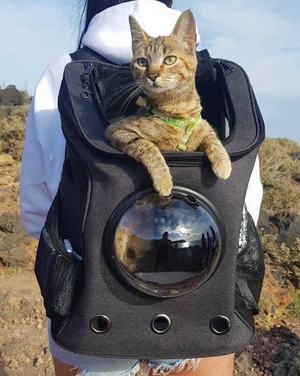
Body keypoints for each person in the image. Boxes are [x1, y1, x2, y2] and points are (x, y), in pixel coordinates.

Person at [20, 0, 263, 375]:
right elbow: (246, 201)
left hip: (94, 309)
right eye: (143, 62)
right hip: (200, 307)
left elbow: (37, 210)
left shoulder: (62, 71)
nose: (151, 71)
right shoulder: (217, 78)